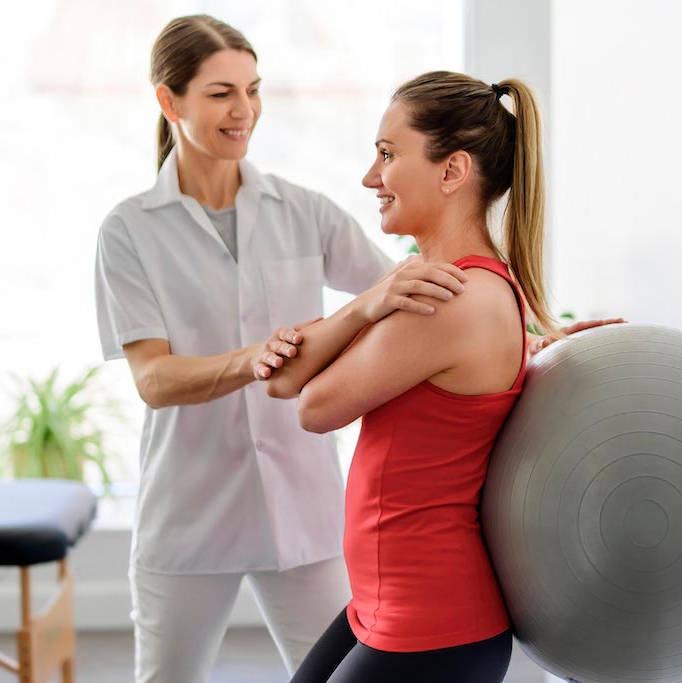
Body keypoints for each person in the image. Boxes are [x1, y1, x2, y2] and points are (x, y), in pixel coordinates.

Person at [93, 16, 472, 683]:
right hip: (189, 510)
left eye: (253, 89)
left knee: (330, 674)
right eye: (220, 94)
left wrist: (541, 328)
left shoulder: (303, 210)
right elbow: (153, 378)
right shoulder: (128, 232)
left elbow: (413, 286)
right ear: (169, 101)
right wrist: (255, 358)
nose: (244, 111)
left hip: (302, 510)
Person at [258, 72, 623, 682]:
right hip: (384, 606)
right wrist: (372, 300)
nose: (371, 178)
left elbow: (313, 407)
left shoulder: (446, 298)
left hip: (430, 625)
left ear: (452, 172)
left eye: (387, 155)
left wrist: (370, 303)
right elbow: (281, 378)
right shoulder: (444, 283)